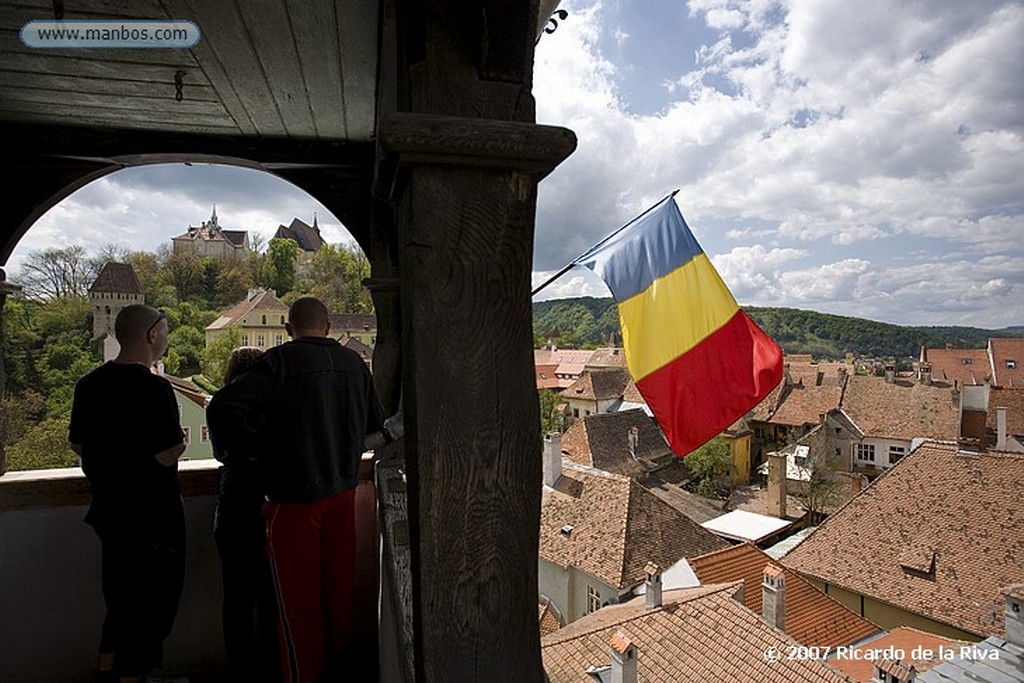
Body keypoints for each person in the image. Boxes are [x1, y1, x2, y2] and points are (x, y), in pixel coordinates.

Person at [207, 297, 395, 683]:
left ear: (289, 329)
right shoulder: (354, 366)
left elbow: (222, 408)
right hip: (342, 494)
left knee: (296, 605)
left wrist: (259, 453)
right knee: (339, 597)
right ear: (328, 325)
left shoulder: (277, 363)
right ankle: (338, 673)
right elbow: (372, 430)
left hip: (292, 500)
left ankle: (303, 676)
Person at [68, 305, 186, 683]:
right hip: (154, 517)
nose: (166, 337)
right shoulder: (154, 387)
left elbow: (78, 445)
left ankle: (109, 672)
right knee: (153, 608)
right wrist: (180, 443)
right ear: (152, 335)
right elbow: (166, 452)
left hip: (109, 511)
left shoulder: (88, 384)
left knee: (119, 602)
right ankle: (138, 676)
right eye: (164, 330)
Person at [212, 347, 280, 682]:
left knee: (236, 599)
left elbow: (221, 455)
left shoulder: (222, 406)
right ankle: (273, 665)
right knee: (271, 597)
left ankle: (240, 669)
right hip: (270, 504)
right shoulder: (274, 406)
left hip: (233, 501)